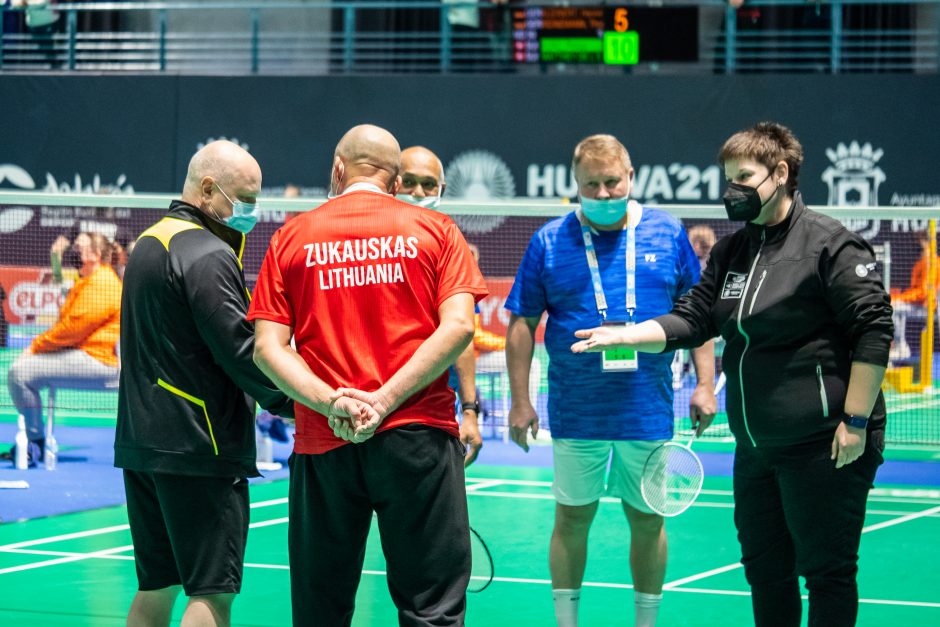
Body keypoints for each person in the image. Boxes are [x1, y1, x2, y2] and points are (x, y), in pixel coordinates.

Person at [571, 122, 893, 627]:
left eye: (744, 176)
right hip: (757, 449)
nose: (732, 190)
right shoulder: (732, 252)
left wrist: (855, 420)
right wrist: (631, 334)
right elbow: (695, 317)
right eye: (728, 178)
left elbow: (874, 330)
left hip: (823, 444)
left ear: (780, 174)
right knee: (766, 573)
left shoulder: (830, 244)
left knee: (827, 573)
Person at [250, 124, 487, 627]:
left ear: (338, 169)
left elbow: (268, 350)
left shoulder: (292, 235)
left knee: (321, 610)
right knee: (432, 610)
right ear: (397, 181)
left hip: (324, 441)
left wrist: (332, 402)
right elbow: (461, 326)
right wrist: (383, 400)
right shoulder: (437, 231)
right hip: (418, 440)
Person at [505, 134, 716, 627]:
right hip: (576, 410)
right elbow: (520, 324)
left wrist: (705, 384)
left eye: (611, 183)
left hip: (647, 408)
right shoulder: (549, 241)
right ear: (575, 184)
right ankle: (566, 623)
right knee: (572, 518)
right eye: (591, 185)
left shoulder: (667, 233)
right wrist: (521, 401)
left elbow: (697, 314)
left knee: (647, 520)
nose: (602, 194)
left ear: (631, 177)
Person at [114, 140, 294, 627]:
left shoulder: (152, 240)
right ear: (209, 189)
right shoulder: (207, 254)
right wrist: (302, 403)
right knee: (211, 592)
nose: (252, 212)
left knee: (157, 585)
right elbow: (243, 350)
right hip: (199, 447)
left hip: (143, 443)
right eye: (245, 199)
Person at [4, 231, 121, 466]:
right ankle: (32, 439)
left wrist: (36, 345)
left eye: (79, 248)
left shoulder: (103, 283)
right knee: (22, 371)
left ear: (95, 255)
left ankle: (34, 443)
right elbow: (67, 326)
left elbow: (72, 329)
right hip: (83, 353)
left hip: (101, 361)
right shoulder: (86, 280)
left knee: (20, 373)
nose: (74, 252)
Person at [399, 144, 483, 465]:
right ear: (392, 183)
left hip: (433, 412)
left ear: (441, 190)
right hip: (369, 410)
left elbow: (462, 335)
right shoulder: (366, 240)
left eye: (428, 184)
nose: (418, 192)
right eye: (408, 182)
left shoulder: (451, 245)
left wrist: (470, 411)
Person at [889, 229, 939, 361]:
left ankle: (901, 348)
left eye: (923, 239)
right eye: (919, 239)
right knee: (894, 306)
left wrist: (898, 299)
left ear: (929, 242)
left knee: (894, 306)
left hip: (929, 308)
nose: (920, 242)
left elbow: (923, 293)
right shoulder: (921, 262)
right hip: (919, 305)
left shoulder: (932, 262)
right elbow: (916, 291)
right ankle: (899, 346)